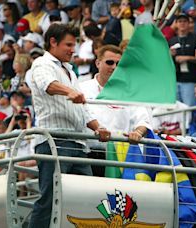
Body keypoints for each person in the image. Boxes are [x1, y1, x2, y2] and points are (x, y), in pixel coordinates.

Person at [28, 23, 111, 228]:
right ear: (53, 42)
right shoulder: (42, 64)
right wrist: (69, 91)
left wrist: (97, 127)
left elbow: (82, 109)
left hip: (78, 143)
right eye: (68, 45)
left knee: (87, 198)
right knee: (50, 198)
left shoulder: (70, 72)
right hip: (53, 141)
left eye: (74, 45)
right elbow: (47, 85)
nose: (73, 50)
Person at [79, 44, 151, 176]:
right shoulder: (81, 88)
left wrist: (138, 132)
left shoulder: (130, 92)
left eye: (118, 64)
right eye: (110, 62)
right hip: (88, 154)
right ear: (98, 63)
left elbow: (143, 120)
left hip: (120, 155)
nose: (114, 67)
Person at [169, 13, 196, 107]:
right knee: (176, 107)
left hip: (190, 79)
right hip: (176, 78)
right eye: (180, 21)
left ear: (189, 24)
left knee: (188, 107)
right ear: (176, 24)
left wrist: (187, 58)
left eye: (184, 21)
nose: (182, 24)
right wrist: (170, 55)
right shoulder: (172, 40)